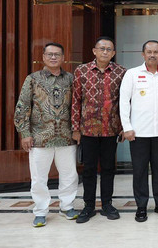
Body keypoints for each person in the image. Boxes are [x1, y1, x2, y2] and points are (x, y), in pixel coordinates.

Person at [14, 42, 78, 227]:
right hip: (40, 138)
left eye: (57, 54)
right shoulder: (33, 79)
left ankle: (67, 206)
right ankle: (41, 211)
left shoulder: (71, 79)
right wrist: (25, 133)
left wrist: (77, 130)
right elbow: (22, 107)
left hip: (66, 137)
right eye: (49, 54)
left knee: (69, 175)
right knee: (39, 177)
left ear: (63, 57)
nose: (53, 57)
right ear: (43, 57)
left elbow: (77, 106)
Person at [71, 36, 126, 223]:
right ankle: (88, 206)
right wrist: (75, 128)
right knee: (89, 169)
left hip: (111, 129)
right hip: (88, 130)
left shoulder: (121, 72)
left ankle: (107, 204)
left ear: (113, 53)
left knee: (109, 168)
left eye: (109, 49)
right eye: (101, 48)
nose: (105, 52)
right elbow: (76, 101)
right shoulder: (81, 71)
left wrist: (123, 127)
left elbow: (125, 102)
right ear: (94, 51)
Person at [119, 40, 158, 222]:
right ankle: (141, 207)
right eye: (149, 52)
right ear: (143, 54)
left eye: (156, 52)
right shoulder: (132, 74)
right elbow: (123, 103)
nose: (152, 55)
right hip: (138, 133)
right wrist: (127, 128)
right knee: (140, 171)